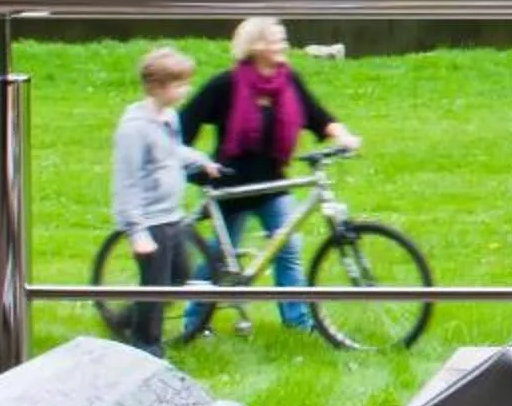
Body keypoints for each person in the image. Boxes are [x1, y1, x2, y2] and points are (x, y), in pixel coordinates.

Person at [177, 18, 358, 337]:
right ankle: (194, 323)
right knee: (218, 259)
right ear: (257, 46)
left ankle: (297, 321)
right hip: (231, 184)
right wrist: (192, 164)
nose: (284, 45)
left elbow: (317, 116)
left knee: (287, 248)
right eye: (277, 39)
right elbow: (183, 126)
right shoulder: (227, 85)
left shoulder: (288, 83)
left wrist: (344, 136)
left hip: (272, 183)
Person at [110, 46, 219, 354]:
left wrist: (200, 160)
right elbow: (126, 181)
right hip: (150, 221)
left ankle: (127, 320)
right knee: (155, 289)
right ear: (156, 87)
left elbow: (172, 152)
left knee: (179, 276)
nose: (186, 90)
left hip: (172, 216)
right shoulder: (134, 129)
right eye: (179, 84)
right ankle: (148, 348)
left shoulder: (169, 117)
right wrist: (137, 232)